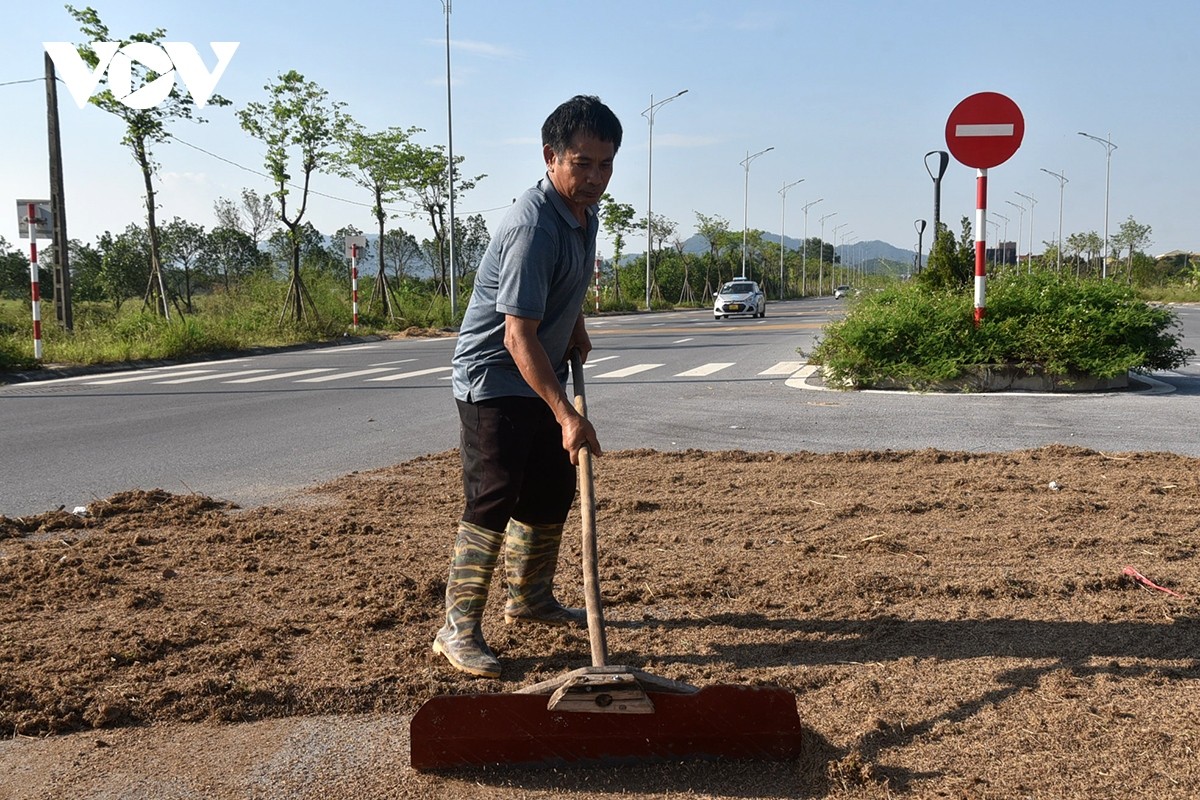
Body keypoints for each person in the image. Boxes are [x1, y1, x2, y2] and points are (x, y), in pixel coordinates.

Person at [433, 95, 622, 679]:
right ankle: (457, 629)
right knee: (494, 496)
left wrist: (577, 325)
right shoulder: (533, 225)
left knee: (549, 490)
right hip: (495, 378)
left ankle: (530, 599)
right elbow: (516, 337)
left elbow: (554, 293)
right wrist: (567, 415)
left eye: (605, 165)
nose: (594, 178)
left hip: (542, 367)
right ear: (550, 157)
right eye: (582, 163)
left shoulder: (583, 214)